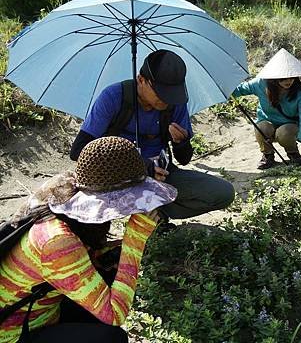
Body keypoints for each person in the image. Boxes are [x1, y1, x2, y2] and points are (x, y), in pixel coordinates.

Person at [0, 136, 177, 342]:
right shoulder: (57, 241)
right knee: (111, 337)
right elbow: (115, 314)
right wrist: (134, 241)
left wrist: (115, 251)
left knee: (110, 269)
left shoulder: (65, 193)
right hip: (13, 334)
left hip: (44, 312)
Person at [70, 49, 235, 223]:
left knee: (223, 193)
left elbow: (184, 159)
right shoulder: (113, 97)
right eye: (161, 93)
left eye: (172, 94)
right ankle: (136, 214)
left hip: (161, 178)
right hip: (118, 182)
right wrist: (141, 167)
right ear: (141, 80)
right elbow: (78, 151)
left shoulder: (174, 103)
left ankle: (157, 213)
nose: (166, 100)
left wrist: (181, 143)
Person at [232, 48, 301, 170]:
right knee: (261, 127)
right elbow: (239, 90)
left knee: (284, 132)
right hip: (267, 125)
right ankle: (268, 155)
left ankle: (293, 153)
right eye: (283, 78)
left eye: (292, 77)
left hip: (290, 127)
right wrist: (225, 89)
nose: (288, 81)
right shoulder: (260, 84)